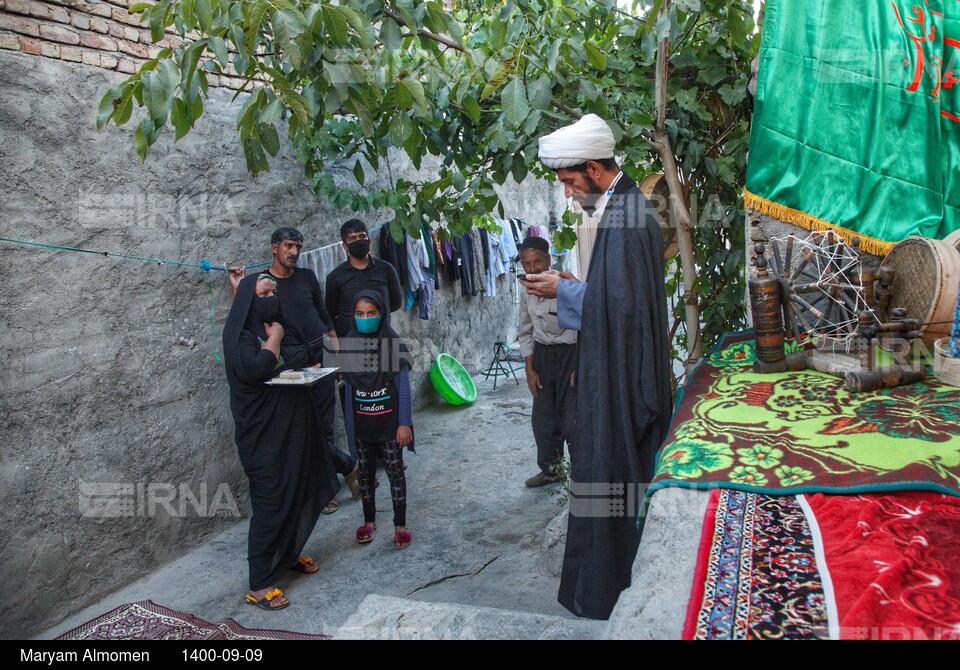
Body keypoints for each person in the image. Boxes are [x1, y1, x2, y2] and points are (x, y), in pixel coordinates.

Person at [521, 114, 673, 620]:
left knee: (611, 478)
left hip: (623, 387)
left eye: (569, 182)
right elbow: (617, 298)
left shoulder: (627, 216)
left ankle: (608, 592)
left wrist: (564, 290)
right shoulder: (621, 207)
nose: (566, 194)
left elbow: (623, 313)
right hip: (615, 374)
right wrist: (571, 285)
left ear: (592, 167)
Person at [222, 273, 340, 610]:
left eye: (273, 290)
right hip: (263, 437)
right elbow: (257, 368)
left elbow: (300, 355)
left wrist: (306, 365)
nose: (271, 295)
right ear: (248, 299)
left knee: (296, 492)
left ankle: (288, 555)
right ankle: (259, 583)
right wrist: (274, 339)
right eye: (263, 292)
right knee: (271, 503)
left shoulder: (273, 324)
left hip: (291, 431)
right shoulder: (242, 336)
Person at [229, 228, 358, 514]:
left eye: (298, 246)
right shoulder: (264, 284)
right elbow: (248, 313)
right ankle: (341, 475)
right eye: (288, 246)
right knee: (300, 431)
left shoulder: (306, 277)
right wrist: (238, 289)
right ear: (274, 247)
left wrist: (337, 355)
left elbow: (324, 315)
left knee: (324, 426)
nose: (294, 252)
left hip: (319, 356)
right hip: (287, 363)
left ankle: (330, 484)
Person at [340, 290, 415, 550]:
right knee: (366, 477)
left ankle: (400, 524)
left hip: (390, 425)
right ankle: (369, 521)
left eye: (371, 313)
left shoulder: (392, 343)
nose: (365, 318)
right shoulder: (348, 344)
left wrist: (404, 423)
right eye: (359, 314)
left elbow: (403, 387)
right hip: (362, 426)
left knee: (395, 473)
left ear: (382, 314)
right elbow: (348, 389)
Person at [517, 236, 578, 488]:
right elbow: (525, 329)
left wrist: (580, 366)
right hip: (542, 357)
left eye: (537, 261)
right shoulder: (526, 288)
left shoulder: (566, 286)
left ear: (548, 260)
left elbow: (585, 328)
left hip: (571, 356)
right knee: (543, 420)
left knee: (572, 419)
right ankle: (551, 470)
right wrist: (530, 368)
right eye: (526, 264)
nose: (532, 269)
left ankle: (580, 472)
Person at [325, 219, 403, 340]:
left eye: (362, 236)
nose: (358, 241)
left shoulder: (386, 269)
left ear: (369, 241)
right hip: (350, 343)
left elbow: (395, 303)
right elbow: (331, 312)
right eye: (352, 238)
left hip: (383, 338)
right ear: (345, 246)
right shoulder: (335, 277)